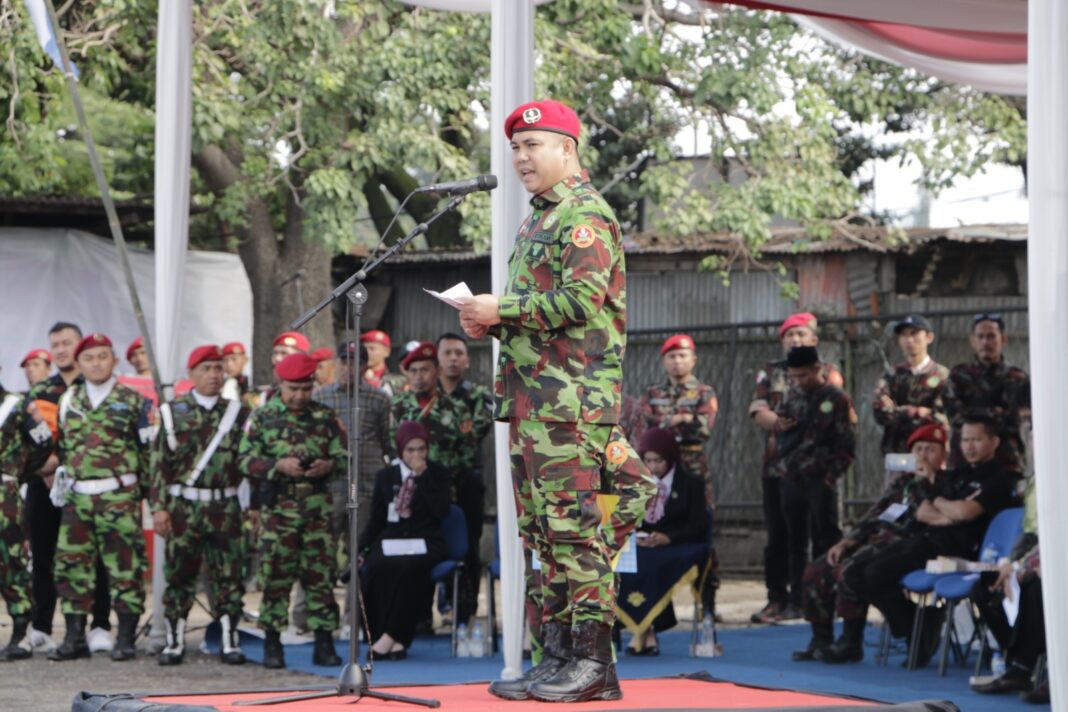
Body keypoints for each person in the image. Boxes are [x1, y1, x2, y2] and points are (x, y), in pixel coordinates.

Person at [458, 98, 656, 703]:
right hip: (533, 404)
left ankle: (594, 663)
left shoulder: (584, 215)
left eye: (532, 145)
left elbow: (582, 303)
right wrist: (488, 323)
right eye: (515, 147)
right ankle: (564, 654)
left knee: (572, 534)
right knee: (545, 536)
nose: (520, 157)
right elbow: (542, 315)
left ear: (567, 150)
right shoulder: (535, 221)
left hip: (571, 404)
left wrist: (504, 309)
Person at [845, 415, 1018, 668]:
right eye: (965, 440)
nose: (969, 446)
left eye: (976, 440)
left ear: (994, 442)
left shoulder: (998, 480)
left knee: (875, 573)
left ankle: (919, 628)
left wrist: (949, 511)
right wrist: (949, 514)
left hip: (955, 550)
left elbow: (963, 513)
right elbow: (923, 512)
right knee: (854, 573)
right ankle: (920, 623)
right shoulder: (957, 475)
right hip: (926, 538)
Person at [794, 423, 946, 664]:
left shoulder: (943, 484)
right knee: (817, 569)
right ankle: (820, 638)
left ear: (943, 456)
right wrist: (846, 542)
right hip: (875, 540)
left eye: (930, 450)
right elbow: (875, 515)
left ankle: (850, 641)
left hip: (905, 546)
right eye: (918, 449)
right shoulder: (902, 484)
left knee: (850, 571)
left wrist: (929, 480)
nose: (923, 456)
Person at [49, 333, 153, 661]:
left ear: (114, 360)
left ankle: (124, 637)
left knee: (125, 568)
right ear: (79, 364)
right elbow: (62, 447)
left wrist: (154, 500)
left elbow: (149, 454)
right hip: (77, 499)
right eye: (89, 358)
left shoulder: (134, 401)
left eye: (103, 356)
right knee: (71, 568)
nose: (96, 363)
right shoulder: (69, 400)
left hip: (118, 496)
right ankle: (74, 637)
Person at [239, 352, 346, 669]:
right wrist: (277, 465)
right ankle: (273, 643)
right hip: (278, 513)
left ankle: (324, 642)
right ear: (279, 384)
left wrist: (328, 465)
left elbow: (345, 458)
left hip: (317, 510)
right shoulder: (261, 417)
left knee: (321, 578)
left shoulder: (326, 418)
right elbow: (244, 460)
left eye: (305, 388)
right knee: (275, 577)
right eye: (292, 389)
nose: (299, 396)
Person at [150, 345, 251, 666]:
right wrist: (159, 508)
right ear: (191, 374)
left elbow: (249, 460)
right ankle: (174, 639)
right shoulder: (171, 412)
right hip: (183, 506)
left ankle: (229, 638)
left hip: (225, 505)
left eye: (218, 368)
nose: (213, 375)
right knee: (179, 573)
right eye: (206, 368)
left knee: (229, 574)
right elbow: (157, 465)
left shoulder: (239, 413)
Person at [21, 322, 113, 655]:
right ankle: (42, 625)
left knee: (96, 557)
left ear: (80, 347)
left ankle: (99, 624)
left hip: (89, 486)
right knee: (44, 556)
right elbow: (27, 436)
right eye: (55, 344)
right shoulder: (41, 390)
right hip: (44, 485)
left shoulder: (99, 389)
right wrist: (45, 467)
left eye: (67, 343)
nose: (60, 349)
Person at [748, 312, 843, 624]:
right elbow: (758, 410)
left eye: (801, 335)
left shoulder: (827, 372)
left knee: (821, 534)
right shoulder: (770, 371)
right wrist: (782, 424)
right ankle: (779, 598)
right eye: (790, 335)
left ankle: (818, 598)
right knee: (780, 536)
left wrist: (793, 424)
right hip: (778, 468)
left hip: (817, 469)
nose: (795, 340)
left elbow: (829, 409)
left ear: (814, 340)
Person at [776, 345, 856, 635]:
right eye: (793, 376)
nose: (798, 380)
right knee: (795, 543)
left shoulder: (836, 399)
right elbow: (780, 432)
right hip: (793, 479)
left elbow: (847, 446)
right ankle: (798, 600)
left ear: (817, 369)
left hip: (821, 480)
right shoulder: (792, 396)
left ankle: (832, 601)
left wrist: (829, 477)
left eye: (803, 375)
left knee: (827, 541)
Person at [640, 334, 719, 618]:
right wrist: (678, 420)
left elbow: (703, 428)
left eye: (683, 355)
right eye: (672, 356)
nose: (677, 361)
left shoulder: (704, 393)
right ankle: (656, 608)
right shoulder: (652, 393)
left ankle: (707, 604)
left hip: (692, 469)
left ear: (693, 359)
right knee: (654, 528)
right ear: (663, 361)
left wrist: (665, 424)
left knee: (702, 532)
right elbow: (646, 429)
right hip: (658, 473)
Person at [358, 421, 450, 660]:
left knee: (412, 568)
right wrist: (361, 547)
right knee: (378, 566)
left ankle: (393, 636)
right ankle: (385, 636)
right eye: (411, 450)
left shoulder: (438, 473)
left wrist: (423, 479)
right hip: (393, 538)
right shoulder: (386, 476)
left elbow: (441, 511)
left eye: (421, 449)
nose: (417, 455)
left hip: (426, 540)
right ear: (400, 450)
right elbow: (377, 518)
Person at [617, 428, 707, 656]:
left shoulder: (690, 483)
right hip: (643, 544)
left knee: (652, 567)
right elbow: (627, 517)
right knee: (627, 565)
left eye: (658, 460)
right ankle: (643, 633)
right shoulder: (636, 482)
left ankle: (645, 632)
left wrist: (668, 538)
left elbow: (697, 526)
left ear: (670, 458)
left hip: (677, 545)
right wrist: (638, 535)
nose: (653, 466)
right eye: (647, 460)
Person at [435, 332, 494, 625]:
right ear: (438, 358)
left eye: (459, 353)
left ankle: (465, 611)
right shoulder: (424, 396)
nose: (453, 358)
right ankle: (427, 612)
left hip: (468, 480)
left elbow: (470, 433)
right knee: (431, 541)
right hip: (433, 483)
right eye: (447, 353)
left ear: (468, 360)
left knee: (469, 544)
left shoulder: (479, 396)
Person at [314, 342, 391, 542]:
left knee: (362, 544)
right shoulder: (321, 396)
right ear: (335, 364)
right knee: (327, 544)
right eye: (344, 362)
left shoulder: (379, 398)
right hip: (332, 486)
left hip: (366, 485)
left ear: (365, 368)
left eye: (355, 363)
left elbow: (387, 441)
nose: (348, 369)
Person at [944, 313, 1031, 474]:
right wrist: (995, 412)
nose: (985, 342)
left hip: (1006, 460)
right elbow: (955, 417)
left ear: (1003, 339)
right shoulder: (959, 375)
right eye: (980, 336)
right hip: (964, 461)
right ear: (972, 341)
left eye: (991, 336)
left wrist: (974, 412)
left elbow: (1018, 419)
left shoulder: (1017, 377)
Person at [872, 314, 949, 455]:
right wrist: (917, 412)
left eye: (914, 333)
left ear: (929, 337)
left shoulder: (941, 376)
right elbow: (880, 412)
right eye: (904, 335)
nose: (909, 340)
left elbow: (941, 417)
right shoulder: (891, 374)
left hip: (931, 453)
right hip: (896, 452)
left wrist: (897, 410)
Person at [0, 369, 32, 660]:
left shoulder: (16, 405)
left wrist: (19, 474)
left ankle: (21, 635)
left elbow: (42, 443)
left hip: (5, 500)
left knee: (12, 563)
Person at [361, 329, 406, 398]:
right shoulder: (354, 378)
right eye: (364, 349)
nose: (367, 353)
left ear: (387, 351)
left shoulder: (398, 381)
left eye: (372, 349)